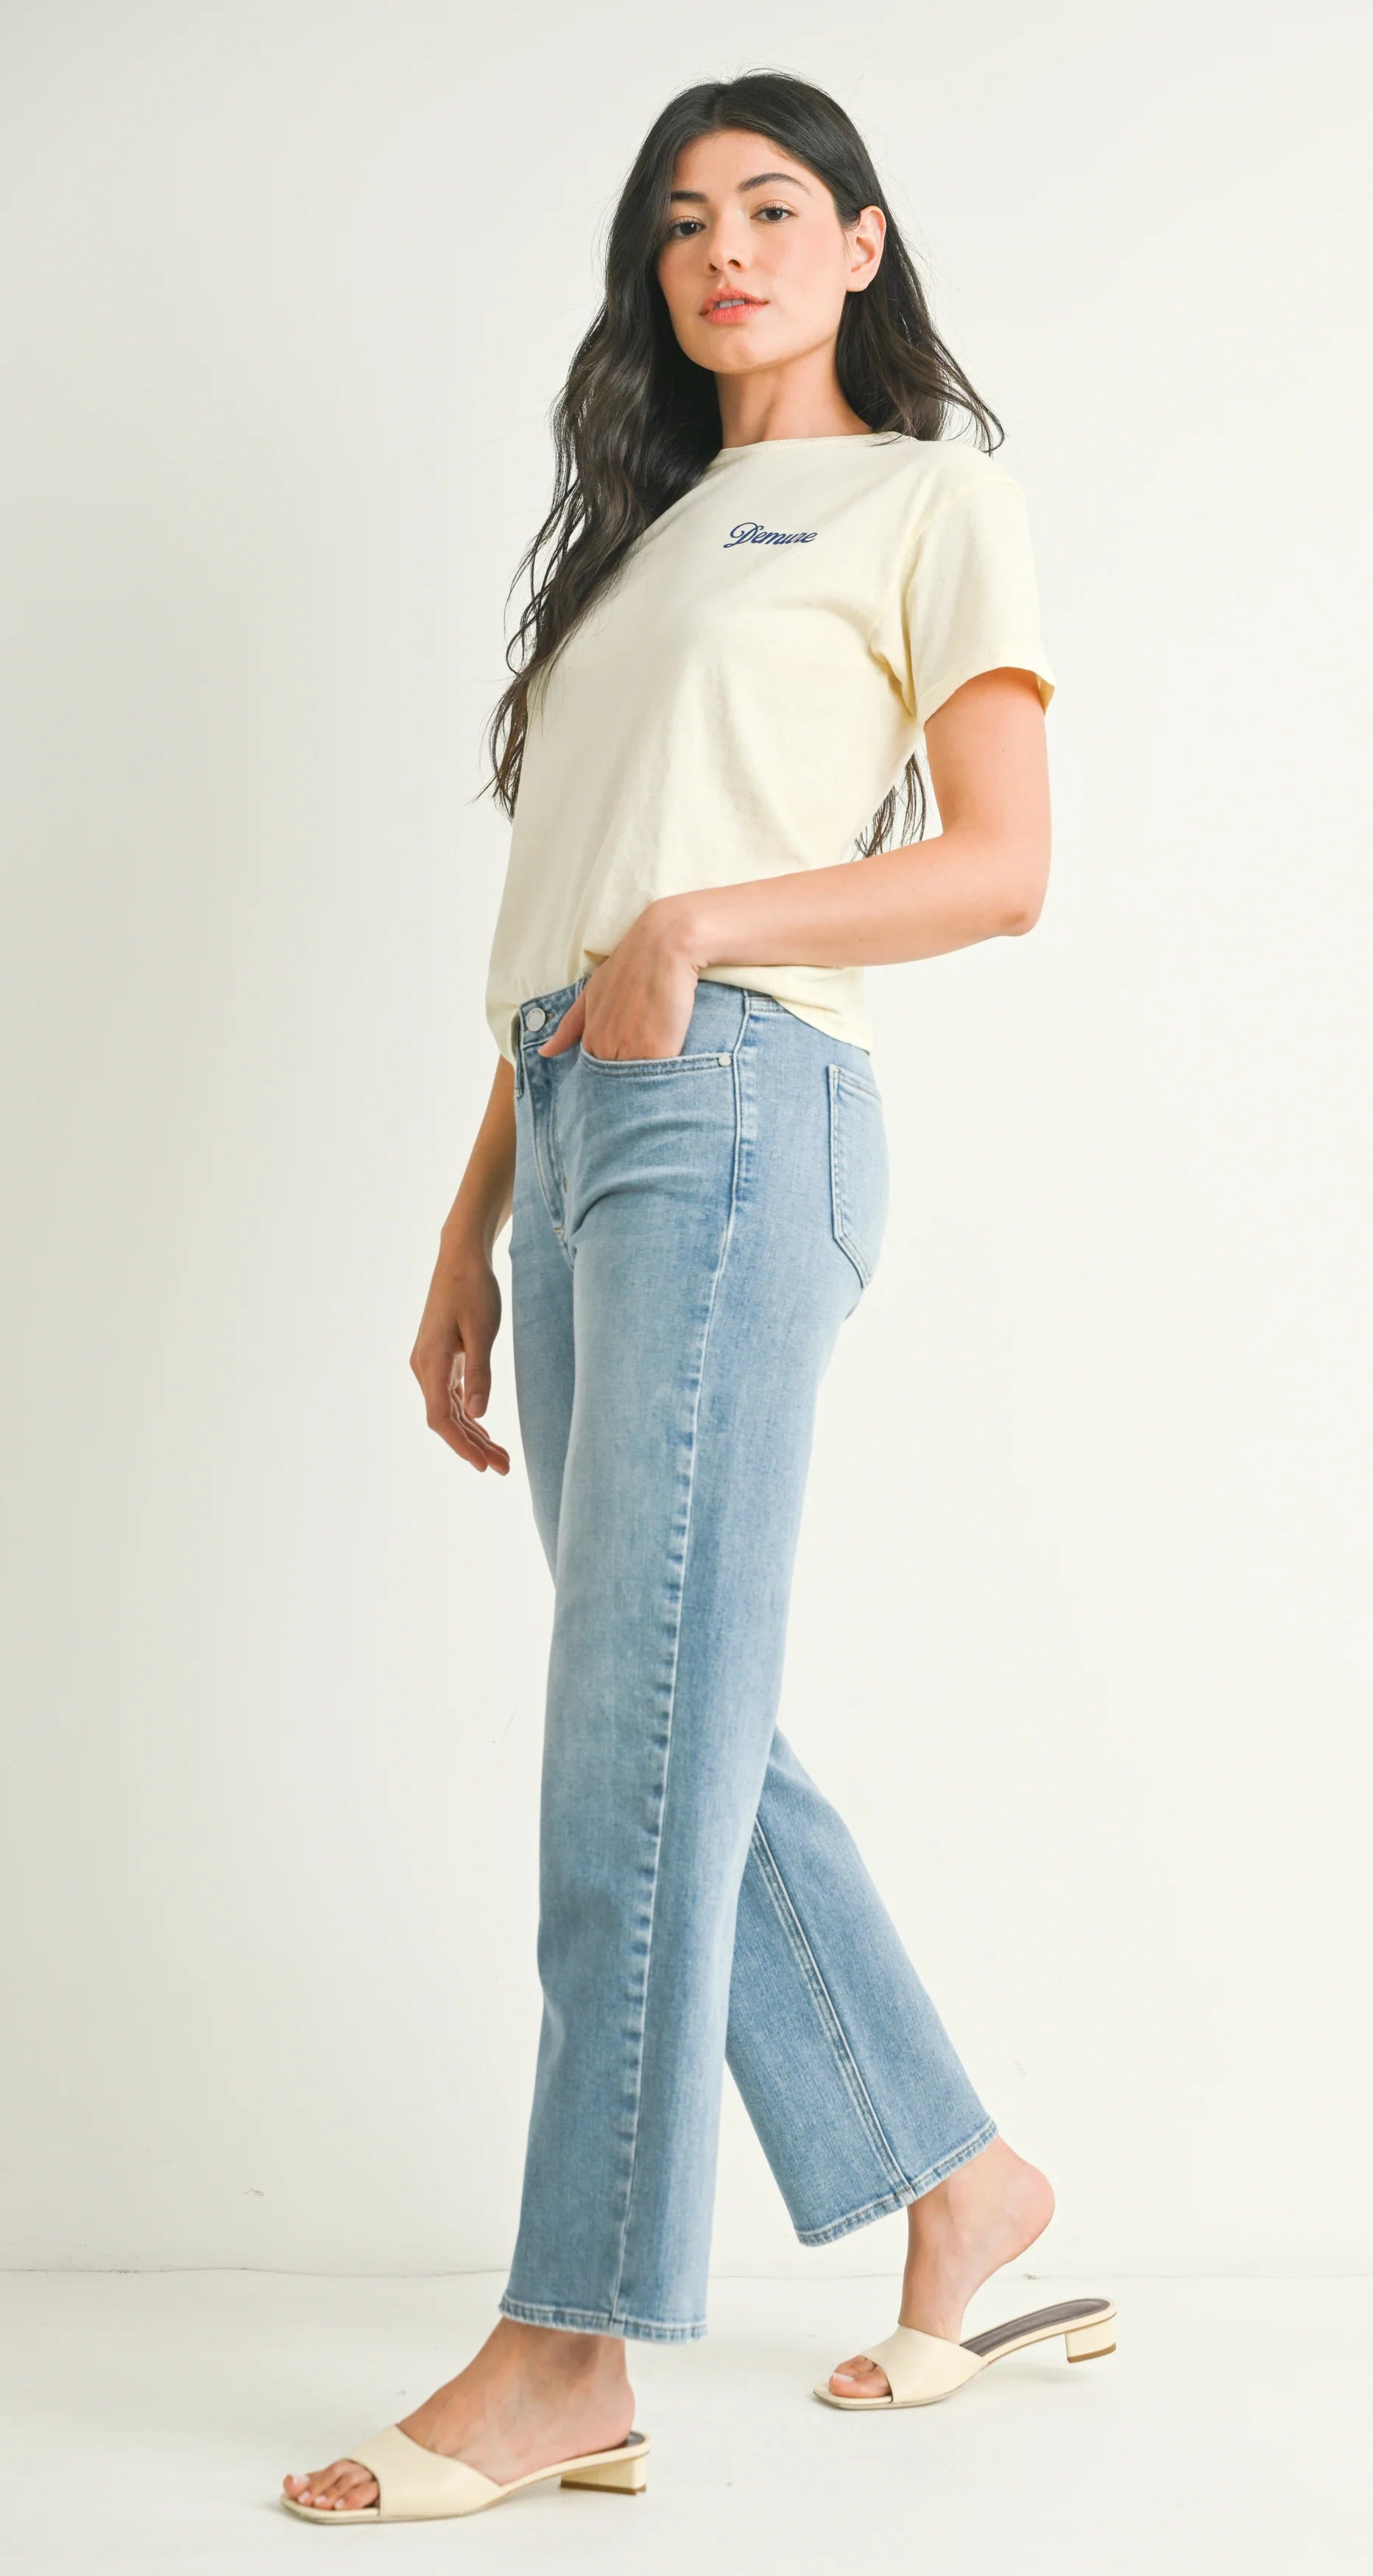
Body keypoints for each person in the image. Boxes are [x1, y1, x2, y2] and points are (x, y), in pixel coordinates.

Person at [283, 70, 1112, 2527]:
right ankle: (957, 2180)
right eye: (681, 223)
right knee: (680, 1719)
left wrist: (703, 929)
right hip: (584, 1121)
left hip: (741, 1106)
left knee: (630, 1740)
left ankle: (574, 2344)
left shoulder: (929, 497)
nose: (722, 248)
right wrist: (471, 1210)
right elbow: (581, 914)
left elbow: (998, 868)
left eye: (771, 206)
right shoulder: (645, 551)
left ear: (861, 242)